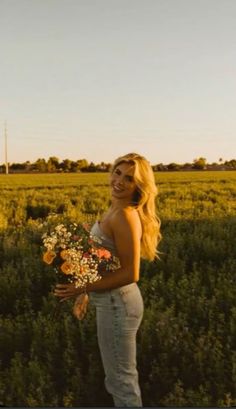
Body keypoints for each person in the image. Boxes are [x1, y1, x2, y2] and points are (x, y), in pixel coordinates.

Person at [54, 152, 161, 407]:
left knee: (121, 381)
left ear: (139, 186)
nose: (120, 181)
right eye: (117, 172)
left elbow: (130, 273)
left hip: (118, 304)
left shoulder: (125, 215)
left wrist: (83, 286)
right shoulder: (115, 208)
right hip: (113, 301)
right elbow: (105, 261)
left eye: (129, 178)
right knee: (118, 377)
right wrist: (85, 293)